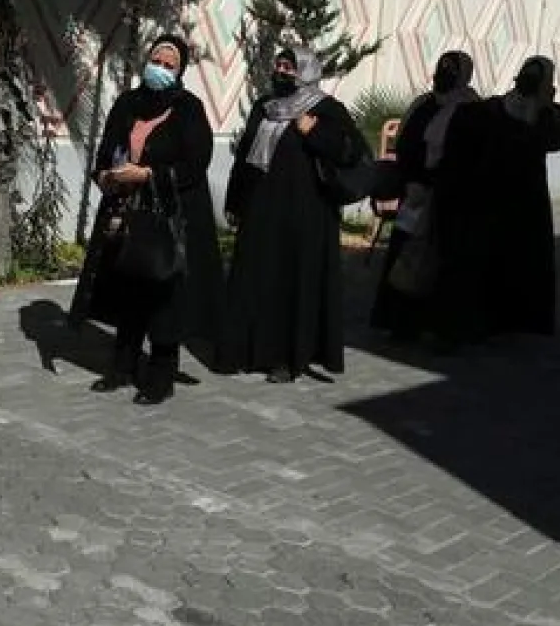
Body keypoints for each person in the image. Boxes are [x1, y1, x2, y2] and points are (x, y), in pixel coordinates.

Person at [68, 35, 223, 405]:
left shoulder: (189, 109)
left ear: (180, 70)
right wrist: (106, 175)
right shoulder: (128, 103)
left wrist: (149, 174)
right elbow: (107, 150)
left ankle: (161, 375)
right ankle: (122, 367)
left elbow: (194, 165)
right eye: (156, 60)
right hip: (125, 213)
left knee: (162, 294)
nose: (161, 68)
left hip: (168, 219)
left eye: (169, 65)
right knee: (127, 289)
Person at [221, 46, 364, 383]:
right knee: (255, 278)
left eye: (290, 66)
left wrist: (313, 131)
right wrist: (235, 200)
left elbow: (350, 152)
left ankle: (285, 358)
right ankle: (245, 350)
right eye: (279, 64)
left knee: (290, 283)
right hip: (260, 211)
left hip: (304, 216)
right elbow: (245, 156)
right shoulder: (265, 107)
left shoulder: (326, 109)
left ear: (307, 70)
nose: (282, 71)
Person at [434, 55, 560, 343]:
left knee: (520, 261)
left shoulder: (550, 113)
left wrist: (544, 108)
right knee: (486, 259)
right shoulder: (492, 108)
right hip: (491, 194)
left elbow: (552, 142)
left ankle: (513, 319)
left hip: (526, 198)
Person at [370, 51, 478, 342]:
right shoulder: (424, 104)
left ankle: (439, 327)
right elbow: (406, 141)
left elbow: (470, 157)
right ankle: (399, 323)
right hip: (414, 193)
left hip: (448, 200)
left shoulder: (470, 110)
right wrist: (409, 178)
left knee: (439, 261)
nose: (442, 75)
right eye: (440, 68)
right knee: (405, 257)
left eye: (450, 71)